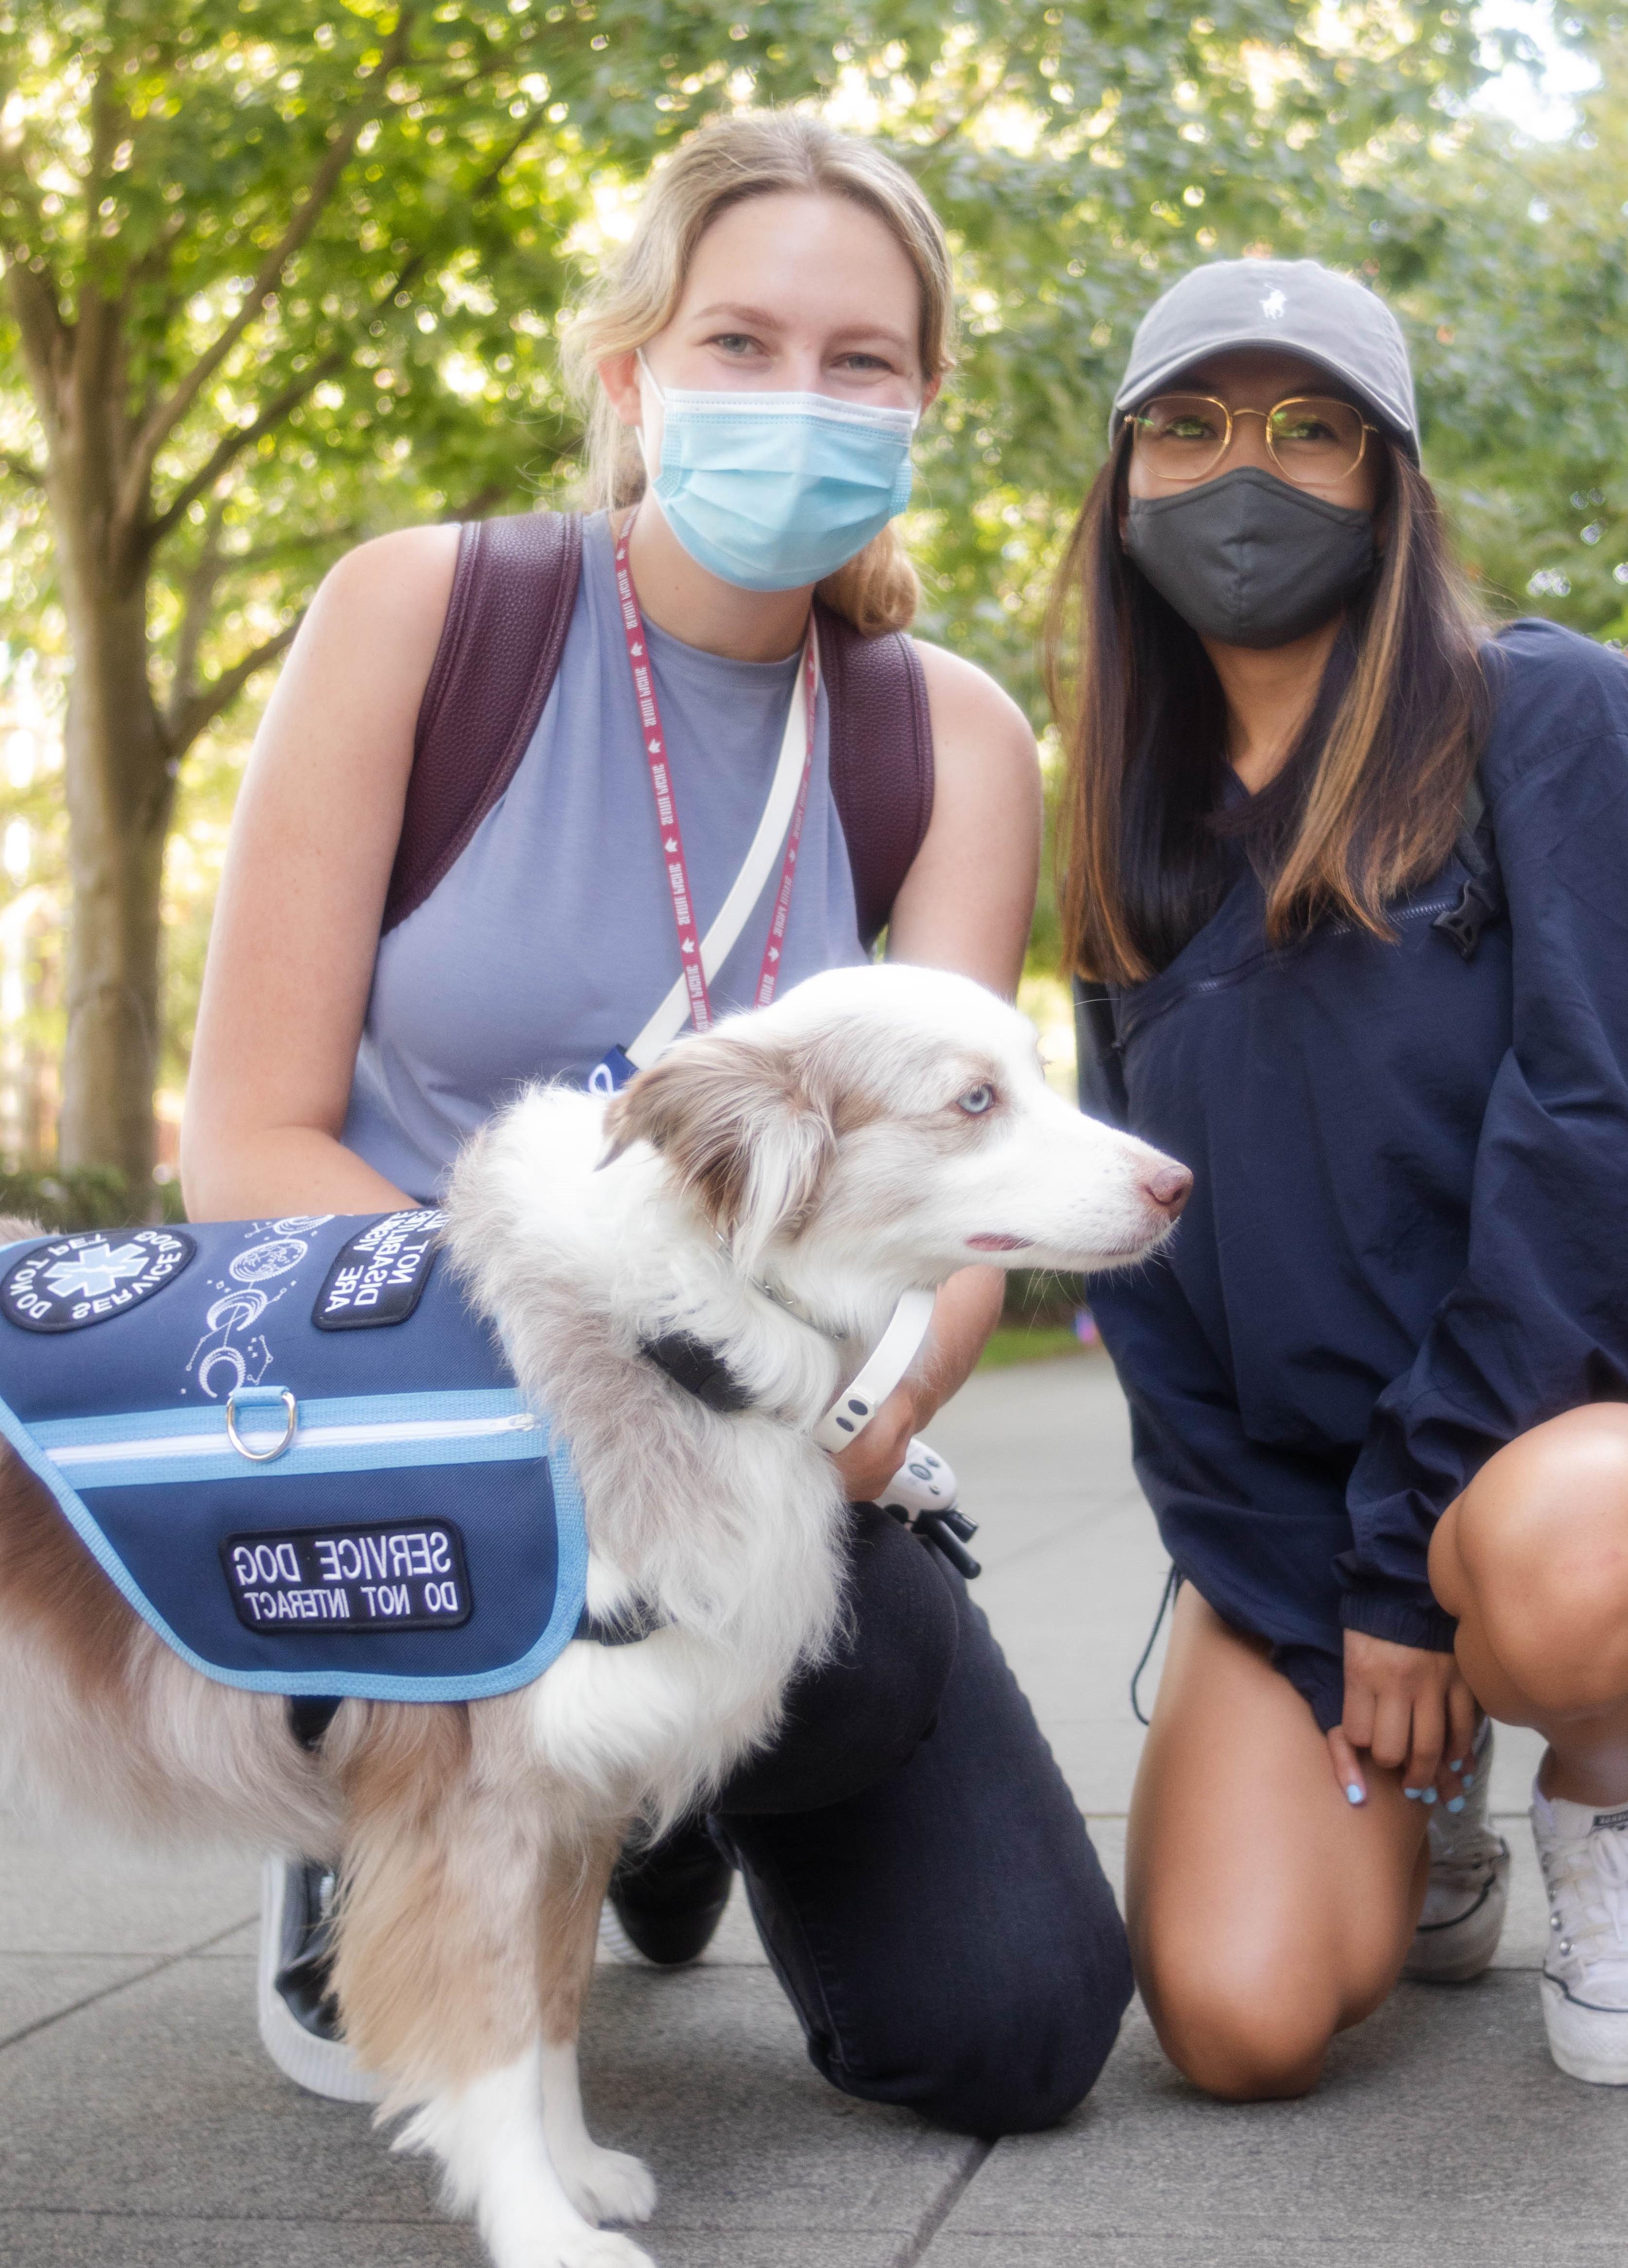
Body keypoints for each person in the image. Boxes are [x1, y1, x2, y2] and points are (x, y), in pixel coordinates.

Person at [180, 111, 1130, 2136]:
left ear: (923, 401)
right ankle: (379, 1773)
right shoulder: (423, 620)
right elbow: (249, 1142)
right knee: (525, 1650)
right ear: (633, 370)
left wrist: (836, 1422)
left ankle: (659, 1801)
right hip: (430, 1419)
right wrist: (589, 1427)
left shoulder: (943, 735)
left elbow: (959, 1214)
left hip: (766, 1428)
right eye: (741, 341)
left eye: (860, 361)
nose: (801, 396)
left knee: (1014, 2032)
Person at [1056, 258, 1628, 2095]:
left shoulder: (1539, 716)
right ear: (1127, 479)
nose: (1249, 468)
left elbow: (1609, 1147)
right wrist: (1309, 1586)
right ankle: (1422, 1793)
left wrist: (1413, 1559)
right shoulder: (1132, 833)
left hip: (1596, 1453)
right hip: (1330, 1532)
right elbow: (1139, 1264)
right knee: (1237, 2021)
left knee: (1566, 1561)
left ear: (1392, 480)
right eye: (1194, 425)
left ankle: (1606, 1801)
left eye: (1311, 426)